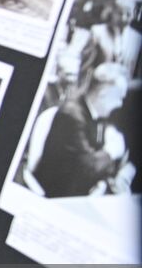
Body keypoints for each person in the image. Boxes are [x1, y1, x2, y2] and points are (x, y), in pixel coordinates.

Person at [33, 63, 131, 198]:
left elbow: (98, 163)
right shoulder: (71, 116)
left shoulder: (98, 116)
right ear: (103, 94)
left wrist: (102, 181)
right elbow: (84, 169)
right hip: (58, 196)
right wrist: (110, 152)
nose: (120, 104)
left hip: (81, 191)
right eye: (119, 97)